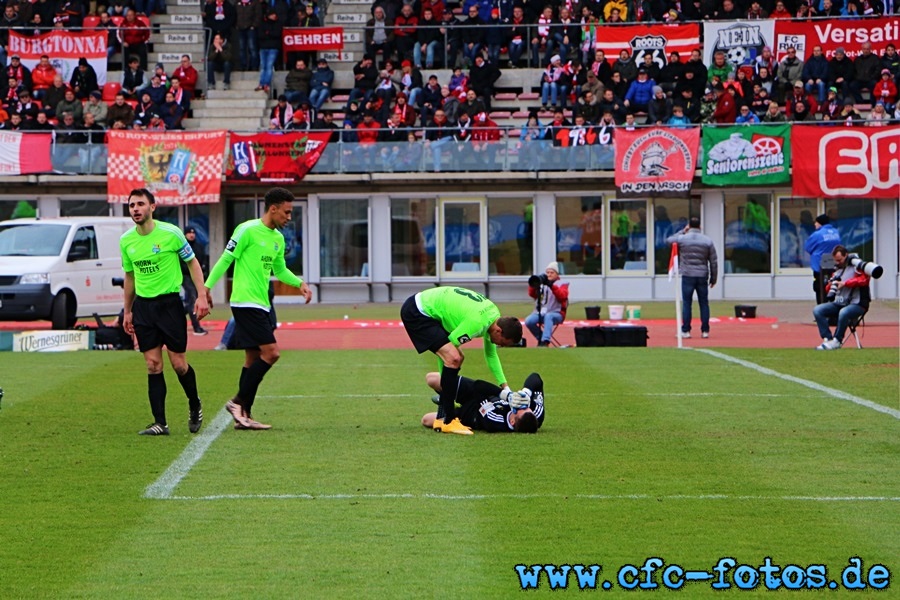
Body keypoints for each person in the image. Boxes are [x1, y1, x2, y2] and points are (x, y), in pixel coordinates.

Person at [204, 188, 312, 430]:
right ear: (272, 209)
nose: (289, 217)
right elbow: (225, 259)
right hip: (245, 302)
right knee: (272, 353)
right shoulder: (246, 230)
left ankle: (244, 416)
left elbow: (280, 270)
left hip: (262, 304)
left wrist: (300, 283)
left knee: (252, 358)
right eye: (286, 212)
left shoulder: (277, 238)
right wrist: (206, 289)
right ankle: (237, 401)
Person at [120, 189, 209, 436]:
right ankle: (160, 422)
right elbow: (130, 276)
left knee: (179, 364)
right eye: (131, 205)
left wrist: (201, 295)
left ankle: (194, 403)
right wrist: (127, 311)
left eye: (140, 204)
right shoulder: (127, 241)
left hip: (169, 305)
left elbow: (192, 263)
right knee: (152, 364)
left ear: (153, 206)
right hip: (144, 308)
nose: (135, 209)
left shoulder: (171, 234)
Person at [400, 286, 523, 435]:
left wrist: (506, 389)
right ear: (499, 331)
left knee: (457, 357)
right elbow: (448, 355)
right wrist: (444, 388)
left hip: (428, 309)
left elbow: (491, 355)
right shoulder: (477, 323)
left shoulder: (494, 316)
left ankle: (444, 415)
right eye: (502, 342)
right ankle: (448, 420)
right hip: (418, 312)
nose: (500, 345)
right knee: (454, 357)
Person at [421, 372, 545, 434]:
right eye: (525, 406)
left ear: (512, 421)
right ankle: (446, 397)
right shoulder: (536, 414)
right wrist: (527, 392)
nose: (520, 405)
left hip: (469, 412)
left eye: (519, 409)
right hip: (485, 395)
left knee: (426, 420)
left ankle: (446, 401)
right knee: (432, 379)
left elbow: (478, 387)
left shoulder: (495, 421)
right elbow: (536, 377)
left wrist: (506, 396)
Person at [666, 216, 718, 339]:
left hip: (688, 274)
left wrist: (683, 231)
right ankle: (705, 331)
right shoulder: (707, 241)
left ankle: (686, 330)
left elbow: (669, 240)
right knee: (704, 303)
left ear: (689, 226)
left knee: (687, 303)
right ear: (700, 226)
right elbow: (714, 261)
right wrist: (713, 278)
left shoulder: (683, 239)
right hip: (702, 275)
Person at [813, 246, 870, 351]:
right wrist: (831, 285)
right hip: (839, 303)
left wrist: (845, 283)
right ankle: (828, 339)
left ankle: (837, 341)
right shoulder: (837, 270)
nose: (838, 262)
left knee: (844, 312)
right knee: (818, 310)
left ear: (846, 255)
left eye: (839, 260)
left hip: (857, 304)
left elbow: (864, 280)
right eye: (836, 260)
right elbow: (828, 289)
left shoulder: (857, 266)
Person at [524, 261, 569, 347]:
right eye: (547, 272)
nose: (549, 274)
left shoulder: (562, 284)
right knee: (529, 321)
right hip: (541, 312)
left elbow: (562, 296)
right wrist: (533, 284)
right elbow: (532, 295)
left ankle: (545, 341)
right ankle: (540, 338)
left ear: (557, 274)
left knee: (549, 316)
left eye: (552, 272)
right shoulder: (542, 284)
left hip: (557, 313)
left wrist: (552, 286)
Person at [804, 213, 842, 304]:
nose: (814, 224)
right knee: (831, 285)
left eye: (816, 222)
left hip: (819, 265)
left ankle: (821, 309)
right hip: (832, 263)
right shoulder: (836, 232)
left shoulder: (817, 234)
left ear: (820, 223)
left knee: (819, 287)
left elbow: (808, 247)